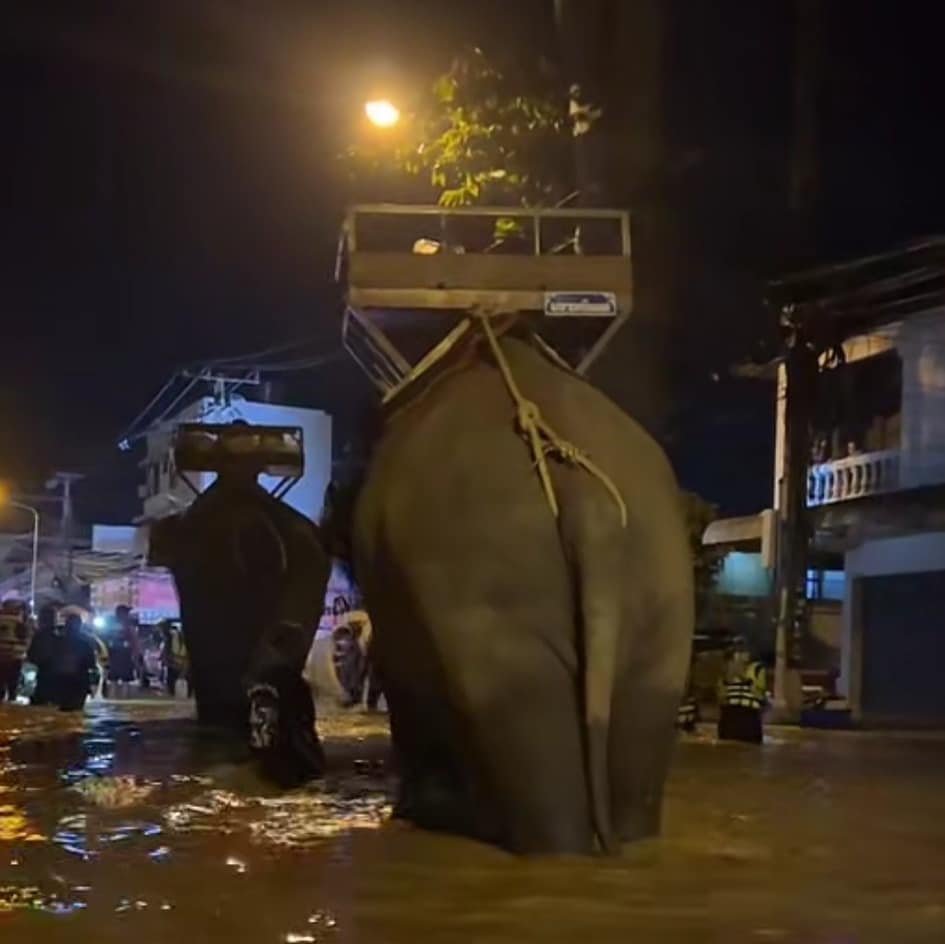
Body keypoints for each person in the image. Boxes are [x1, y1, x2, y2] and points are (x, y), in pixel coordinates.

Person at [717, 638, 768, 744]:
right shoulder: (726, 669)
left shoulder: (757, 669)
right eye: (738, 652)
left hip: (748, 716)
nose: (741, 655)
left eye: (744, 651)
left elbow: (760, 694)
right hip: (730, 715)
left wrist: (743, 677)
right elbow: (721, 694)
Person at [50, 612, 97, 711]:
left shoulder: (57, 642)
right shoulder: (85, 643)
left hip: (62, 682)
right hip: (77, 682)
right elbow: (91, 663)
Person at [28, 604, 59, 705]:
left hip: (44, 669)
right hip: (50, 669)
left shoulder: (39, 635)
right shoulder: (56, 636)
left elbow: (32, 653)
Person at [0, 600, 31, 701]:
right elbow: (27, 641)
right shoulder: (22, 623)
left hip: (1, 656)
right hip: (15, 657)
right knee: (12, 687)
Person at [107, 605, 139, 697]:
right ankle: (120, 701)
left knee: (117, 681)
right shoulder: (128, 627)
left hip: (118, 657)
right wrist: (135, 657)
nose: (128, 615)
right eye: (126, 613)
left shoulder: (110, 626)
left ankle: (115, 701)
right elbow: (135, 642)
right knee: (122, 681)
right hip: (123, 656)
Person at [160, 620, 190, 697]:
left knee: (175, 692)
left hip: (176, 667)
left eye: (161, 630)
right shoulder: (172, 636)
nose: (160, 634)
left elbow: (167, 654)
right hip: (177, 667)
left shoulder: (171, 637)